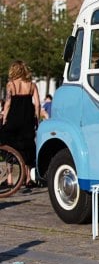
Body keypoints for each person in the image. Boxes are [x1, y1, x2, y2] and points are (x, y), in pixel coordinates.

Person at [0, 60, 40, 192]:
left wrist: (5, 119)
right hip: (28, 120)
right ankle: (28, 179)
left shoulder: (11, 85)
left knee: (8, 147)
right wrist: (37, 119)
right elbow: (38, 104)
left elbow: (8, 103)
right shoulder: (32, 85)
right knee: (27, 146)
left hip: (13, 119)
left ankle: (10, 178)